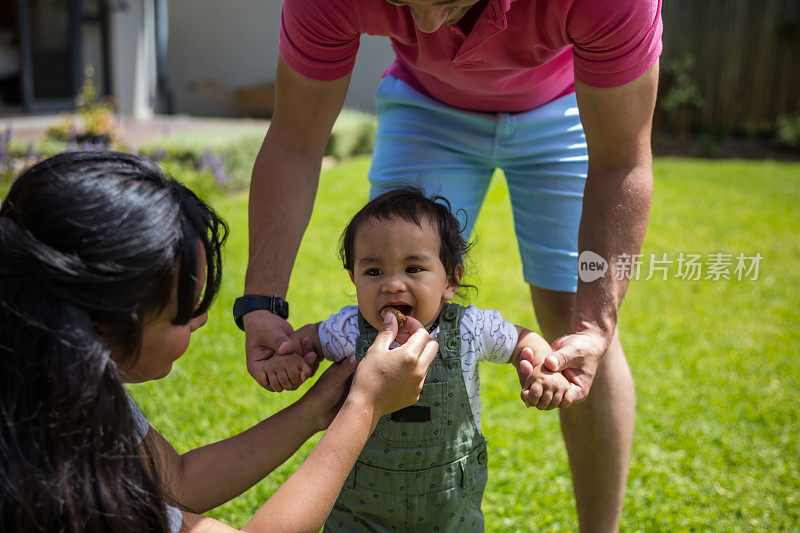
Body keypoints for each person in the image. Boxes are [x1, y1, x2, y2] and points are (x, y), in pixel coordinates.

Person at [239, 1, 661, 529]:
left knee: (572, 317)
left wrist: (595, 326)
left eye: (446, 3)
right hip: (427, 105)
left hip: (565, 103)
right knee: (394, 249)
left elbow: (621, 160)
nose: (429, 28)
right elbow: (296, 140)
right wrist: (262, 304)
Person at [0, 151, 438, 532]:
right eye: (183, 314)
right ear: (100, 326)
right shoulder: (50, 488)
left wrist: (313, 411)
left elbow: (177, 481)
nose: (201, 320)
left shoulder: (57, 379)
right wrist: (365, 407)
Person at [257, 187, 575, 531]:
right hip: (360, 511)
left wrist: (544, 369)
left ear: (451, 280)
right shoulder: (349, 329)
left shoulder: (469, 328)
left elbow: (521, 341)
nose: (393, 285)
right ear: (353, 278)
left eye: (413, 268)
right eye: (374, 272)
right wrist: (289, 361)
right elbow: (307, 341)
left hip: (450, 507)